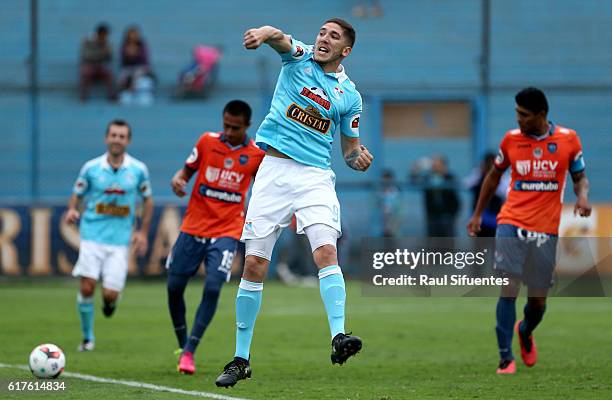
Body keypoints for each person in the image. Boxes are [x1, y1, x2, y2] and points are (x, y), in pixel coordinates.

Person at [215, 18, 373, 388]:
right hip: (274, 171)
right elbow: (276, 36)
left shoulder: (350, 96)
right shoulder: (299, 58)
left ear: (345, 50)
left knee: (325, 253)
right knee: (253, 264)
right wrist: (260, 35)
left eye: (333, 36)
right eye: (322, 32)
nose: (323, 38)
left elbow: (349, 150)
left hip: (314, 177)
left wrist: (359, 158)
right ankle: (241, 359)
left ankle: (339, 336)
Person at [467, 87, 591, 374]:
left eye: (524, 115)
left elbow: (580, 177)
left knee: (537, 301)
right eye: (517, 114)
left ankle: (525, 330)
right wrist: (477, 214)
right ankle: (505, 358)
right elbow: (493, 176)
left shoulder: (568, 139)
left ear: (541, 115)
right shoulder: (511, 140)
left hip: (545, 228)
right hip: (511, 221)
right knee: (509, 286)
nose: (519, 119)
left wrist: (582, 196)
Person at [167, 100, 264, 374]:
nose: (229, 132)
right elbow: (186, 171)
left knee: (212, 288)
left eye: (235, 128)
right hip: (193, 227)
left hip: (227, 231)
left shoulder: (257, 154)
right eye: (226, 126)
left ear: (247, 125)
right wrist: (179, 179)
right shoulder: (206, 142)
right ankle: (182, 342)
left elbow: (266, 188)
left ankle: (189, 351)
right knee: (174, 287)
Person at [65, 119, 153, 351]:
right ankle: (87, 339)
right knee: (86, 286)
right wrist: (72, 209)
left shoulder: (138, 170)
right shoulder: (91, 168)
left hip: (119, 241)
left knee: (110, 295)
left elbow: (147, 200)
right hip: (92, 235)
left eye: (121, 136)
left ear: (128, 140)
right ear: (106, 138)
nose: (117, 139)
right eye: (113, 135)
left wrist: (142, 233)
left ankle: (110, 303)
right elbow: (77, 193)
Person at [410, 155, 461, 236]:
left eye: (436, 163)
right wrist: (416, 169)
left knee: (448, 242)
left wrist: (454, 213)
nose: (434, 165)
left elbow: (456, 190)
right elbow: (413, 182)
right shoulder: (428, 177)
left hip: (447, 215)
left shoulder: (449, 177)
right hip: (432, 216)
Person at [463, 152, 510, 237]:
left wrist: (494, 182)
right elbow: (467, 184)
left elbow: (505, 192)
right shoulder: (478, 175)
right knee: (478, 245)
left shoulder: (501, 178)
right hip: (480, 217)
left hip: (493, 218)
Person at [117, 26, 155, 106]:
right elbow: (123, 61)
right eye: (131, 34)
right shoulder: (124, 46)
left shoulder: (142, 45)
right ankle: (125, 91)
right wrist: (129, 55)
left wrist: (136, 53)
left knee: (140, 74)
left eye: (135, 34)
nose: (133, 36)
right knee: (122, 77)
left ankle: (133, 85)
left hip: (141, 68)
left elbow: (145, 61)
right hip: (127, 69)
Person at [79, 23, 115, 101]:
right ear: (99, 34)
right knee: (85, 73)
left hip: (101, 67)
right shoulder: (87, 41)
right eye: (104, 35)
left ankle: (112, 96)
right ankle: (83, 96)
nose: (105, 37)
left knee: (109, 74)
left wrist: (108, 52)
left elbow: (109, 58)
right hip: (90, 66)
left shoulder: (107, 43)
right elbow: (86, 56)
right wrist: (102, 53)